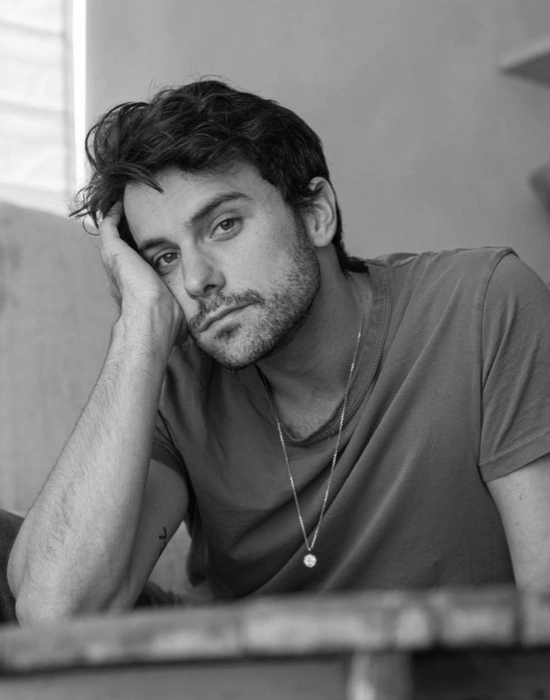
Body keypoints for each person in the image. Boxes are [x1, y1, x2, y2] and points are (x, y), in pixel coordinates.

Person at [4, 79, 550, 625]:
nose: (195, 280)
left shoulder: (482, 305)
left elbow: (543, 606)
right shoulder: (177, 379)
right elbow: (55, 613)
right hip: (228, 660)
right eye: (165, 258)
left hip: (424, 661)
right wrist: (137, 330)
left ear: (315, 214)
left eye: (224, 225)